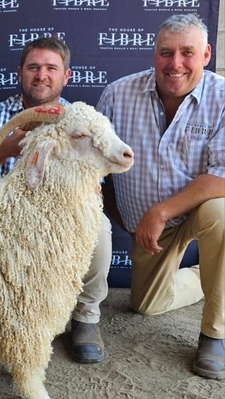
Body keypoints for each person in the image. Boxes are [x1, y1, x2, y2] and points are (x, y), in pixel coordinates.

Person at [0, 37, 111, 364]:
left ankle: (85, 317)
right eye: (33, 67)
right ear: (20, 73)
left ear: (66, 76)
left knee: (100, 227)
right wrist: (6, 149)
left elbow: (93, 187)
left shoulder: (79, 122)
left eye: (51, 68)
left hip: (54, 224)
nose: (41, 75)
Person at [96, 13, 224, 380]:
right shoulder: (118, 94)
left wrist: (161, 211)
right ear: (154, 54)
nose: (176, 63)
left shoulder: (223, 97)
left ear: (206, 54)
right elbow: (96, 164)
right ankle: (209, 278)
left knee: (222, 211)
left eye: (187, 52)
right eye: (166, 53)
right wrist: (119, 213)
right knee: (147, 305)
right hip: (149, 233)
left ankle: (215, 334)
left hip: (199, 212)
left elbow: (223, 176)